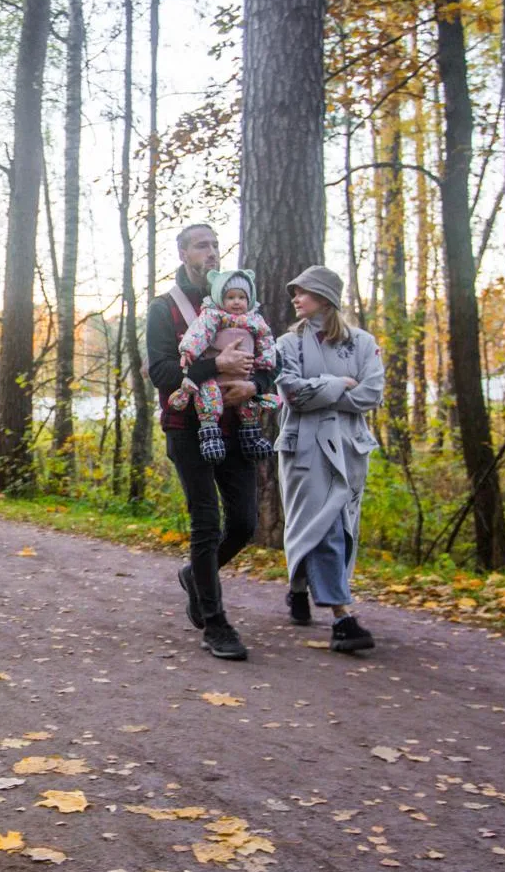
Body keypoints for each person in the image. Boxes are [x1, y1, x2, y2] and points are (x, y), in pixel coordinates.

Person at [147, 224, 276, 661]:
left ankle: (194, 576)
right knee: (205, 521)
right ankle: (215, 622)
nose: (213, 252)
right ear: (184, 253)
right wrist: (213, 365)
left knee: (243, 524)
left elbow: (267, 366)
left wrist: (255, 386)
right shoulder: (165, 309)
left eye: (217, 244)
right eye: (203, 245)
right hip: (188, 426)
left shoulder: (243, 308)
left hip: (237, 424)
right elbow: (162, 374)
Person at [274, 265, 384, 653]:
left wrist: (319, 391)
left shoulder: (363, 342)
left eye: (302, 291)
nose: (295, 298)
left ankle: (299, 587)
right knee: (322, 526)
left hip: (350, 447)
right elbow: (291, 393)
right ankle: (342, 618)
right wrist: (339, 384)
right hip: (305, 447)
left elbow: (371, 393)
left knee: (341, 525)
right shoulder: (287, 345)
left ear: (324, 297)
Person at [172, 269, 280, 462]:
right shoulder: (213, 316)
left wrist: (266, 361)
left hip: (244, 377)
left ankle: (252, 437)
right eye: (230, 297)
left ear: (250, 300)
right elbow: (199, 333)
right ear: (220, 299)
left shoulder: (256, 320)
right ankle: (211, 435)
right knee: (208, 397)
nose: (236, 302)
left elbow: (267, 340)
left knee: (249, 405)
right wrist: (188, 350)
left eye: (241, 297)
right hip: (214, 377)